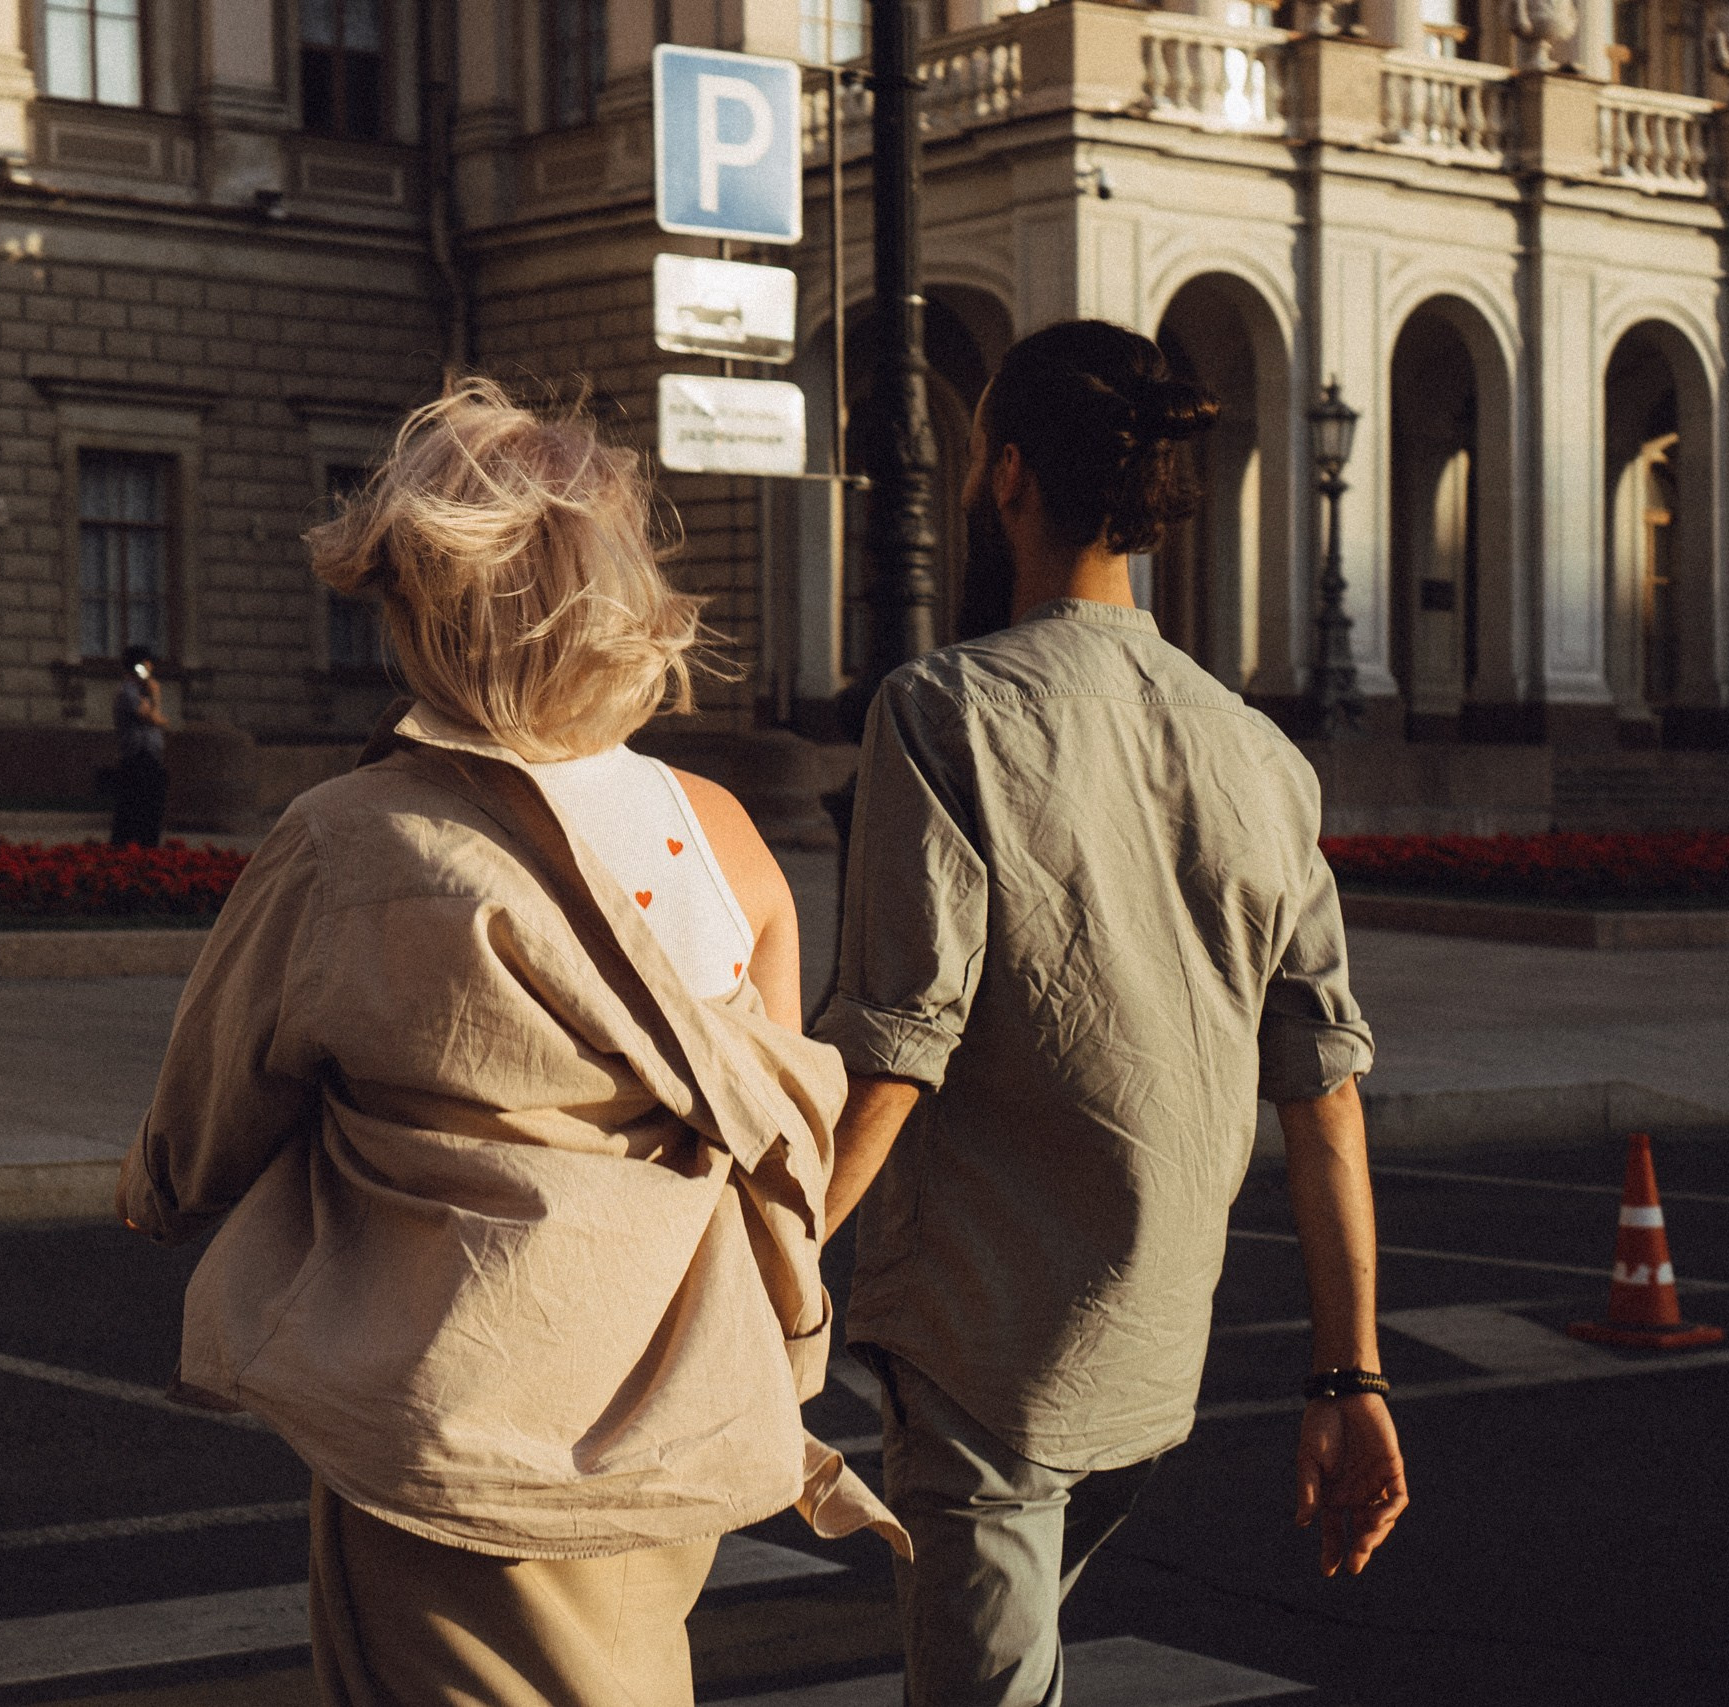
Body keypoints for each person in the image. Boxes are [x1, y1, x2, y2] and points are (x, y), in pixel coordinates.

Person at [115, 379, 901, 1707]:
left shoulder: (348, 835)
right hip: (676, 1415)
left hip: (455, 1423)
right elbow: (765, 1145)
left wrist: (159, 1198)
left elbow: (200, 1131)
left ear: (421, 613)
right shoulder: (725, 833)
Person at [812, 320, 1408, 1707]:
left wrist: (756, 1266)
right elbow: (1323, 1089)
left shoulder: (945, 711)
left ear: (1007, 474)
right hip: (1150, 1359)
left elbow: (898, 1042)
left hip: (986, 1350)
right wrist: (1351, 1377)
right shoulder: (1262, 755)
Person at [109, 644, 169, 847]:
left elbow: (159, 719)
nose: (150, 668)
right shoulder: (128, 691)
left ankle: (144, 848)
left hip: (149, 757)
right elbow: (152, 718)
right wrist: (156, 696)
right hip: (137, 757)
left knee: (149, 812)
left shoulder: (140, 692)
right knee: (134, 811)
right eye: (146, 664)